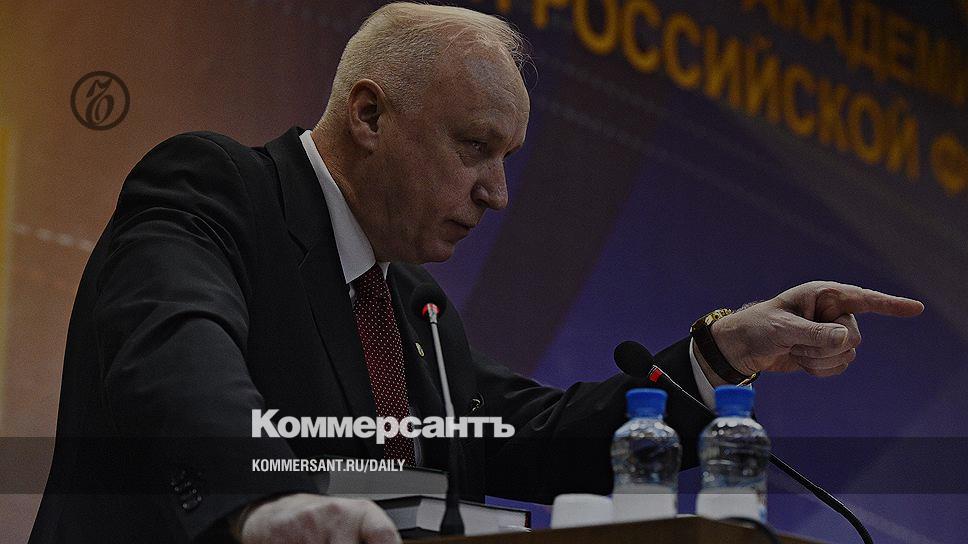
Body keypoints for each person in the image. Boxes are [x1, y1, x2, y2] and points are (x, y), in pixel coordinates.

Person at [30, 3, 924, 544]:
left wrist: (722, 353)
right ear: (370, 115)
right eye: (474, 147)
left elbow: (538, 437)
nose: (498, 193)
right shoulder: (217, 190)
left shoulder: (408, 305)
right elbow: (175, 358)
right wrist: (262, 503)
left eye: (509, 157)